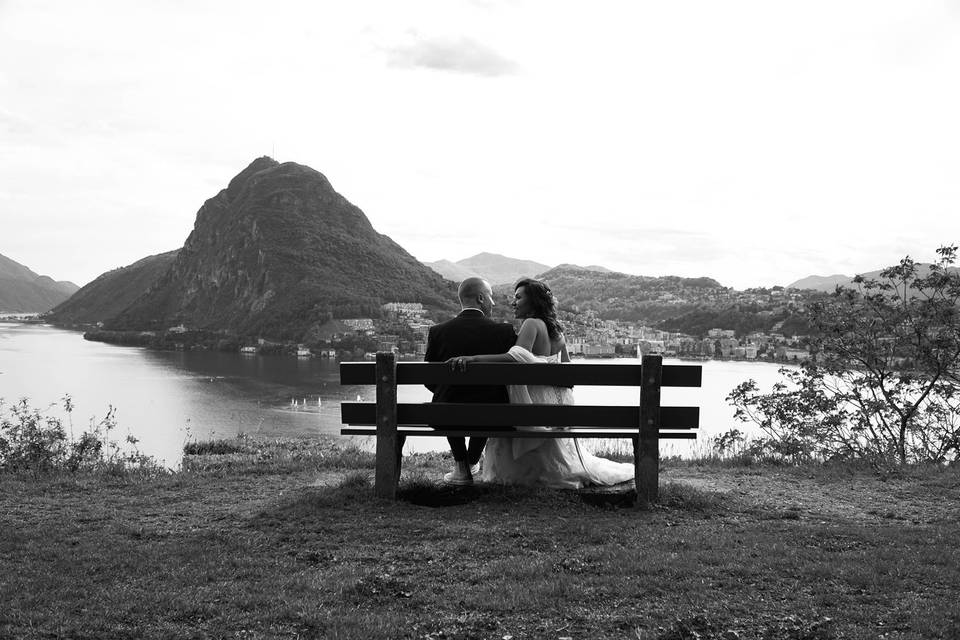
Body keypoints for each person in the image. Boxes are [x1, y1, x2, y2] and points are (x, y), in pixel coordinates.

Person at [448, 278, 634, 488]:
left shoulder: (531, 324)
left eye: (518, 297)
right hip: (557, 405)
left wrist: (475, 359)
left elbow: (515, 357)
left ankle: (531, 471)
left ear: (533, 301)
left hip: (534, 403)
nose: (513, 303)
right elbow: (568, 371)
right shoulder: (558, 331)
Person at [424, 277, 517, 485]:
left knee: (448, 398)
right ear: (481, 298)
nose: (493, 303)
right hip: (494, 415)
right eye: (491, 298)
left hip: (445, 413)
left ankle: (461, 466)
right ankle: (472, 461)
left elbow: (430, 380)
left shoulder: (438, 332)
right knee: (487, 401)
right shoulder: (503, 332)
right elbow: (513, 377)